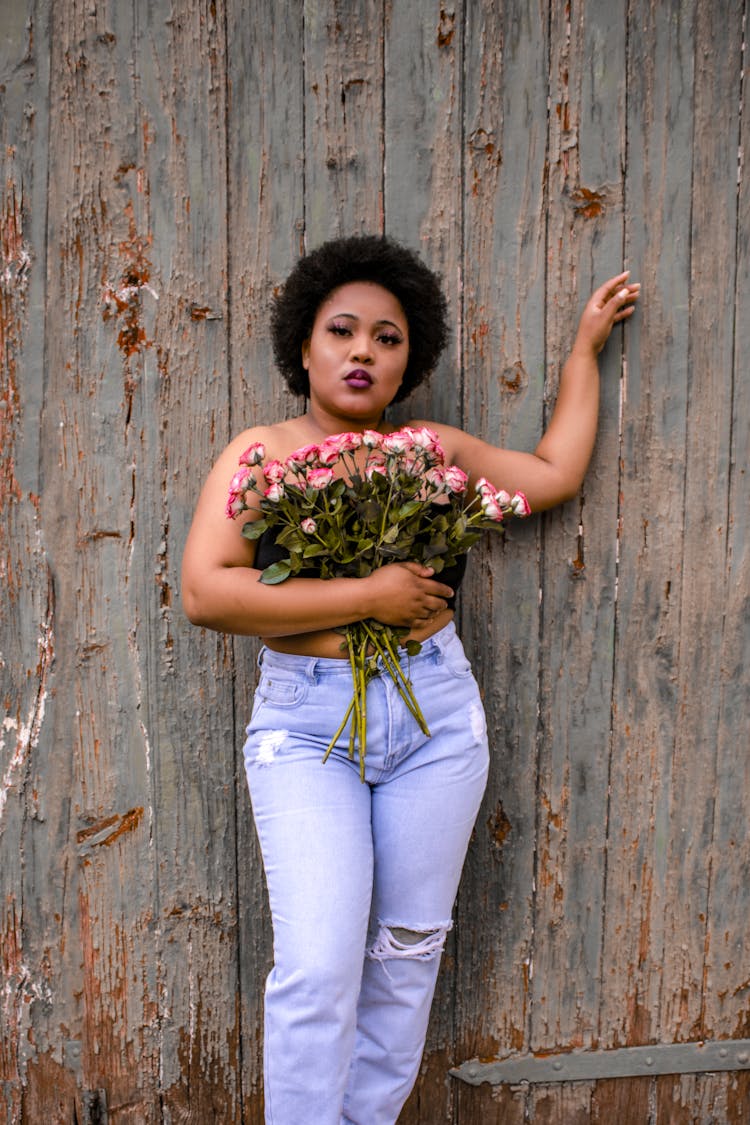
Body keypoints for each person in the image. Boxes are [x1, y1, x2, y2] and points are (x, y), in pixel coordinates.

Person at [181, 235, 639, 1124]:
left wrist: (583, 352)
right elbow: (208, 591)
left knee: (406, 953)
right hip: (307, 727)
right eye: (342, 331)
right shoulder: (264, 453)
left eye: (387, 338)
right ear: (303, 346)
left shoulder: (428, 450)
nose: (363, 351)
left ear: (409, 359)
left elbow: (552, 474)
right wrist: (371, 594)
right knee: (319, 962)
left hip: (435, 719)